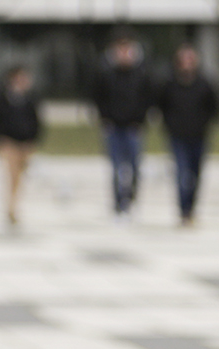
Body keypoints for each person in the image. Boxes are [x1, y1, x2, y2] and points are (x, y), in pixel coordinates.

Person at [157, 44, 219, 227]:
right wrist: (169, 126)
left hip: (199, 136)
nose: (187, 63)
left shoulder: (204, 84)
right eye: (183, 59)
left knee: (195, 174)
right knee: (182, 173)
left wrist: (206, 125)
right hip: (177, 136)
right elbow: (162, 106)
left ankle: (192, 208)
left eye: (190, 59)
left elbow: (214, 108)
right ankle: (183, 210)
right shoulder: (170, 84)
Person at [94, 32, 154, 221]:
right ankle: (118, 203)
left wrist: (141, 120)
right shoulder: (107, 74)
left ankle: (131, 197)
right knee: (116, 167)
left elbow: (147, 98)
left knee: (134, 166)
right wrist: (105, 119)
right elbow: (98, 97)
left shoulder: (141, 73)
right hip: (114, 127)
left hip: (133, 127)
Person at [0, 66, 42, 226]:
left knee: (20, 177)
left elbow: (36, 121)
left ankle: (14, 205)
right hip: (9, 143)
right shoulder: (2, 98)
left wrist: (33, 139)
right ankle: (11, 207)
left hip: (25, 144)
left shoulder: (30, 99)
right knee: (12, 175)